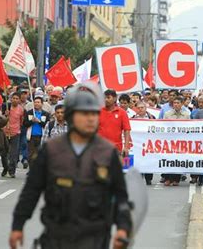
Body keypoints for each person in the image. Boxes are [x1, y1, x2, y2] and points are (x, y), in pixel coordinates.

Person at [9, 82, 132, 249]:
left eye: (94, 114)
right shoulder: (51, 150)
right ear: (71, 116)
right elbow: (31, 191)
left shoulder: (107, 152)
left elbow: (120, 196)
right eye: (84, 113)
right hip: (57, 235)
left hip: (94, 237)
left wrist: (123, 229)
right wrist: (18, 225)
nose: (91, 118)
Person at [163, 96, 190, 186]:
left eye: (178, 103)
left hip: (181, 141)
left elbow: (190, 127)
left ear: (182, 104)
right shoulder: (167, 114)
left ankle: (176, 179)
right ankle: (167, 178)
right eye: (174, 103)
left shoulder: (186, 114)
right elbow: (163, 126)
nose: (176, 104)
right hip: (169, 141)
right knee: (168, 159)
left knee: (178, 159)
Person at [98, 89, 131, 156]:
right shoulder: (98, 111)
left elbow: (126, 130)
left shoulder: (122, 113)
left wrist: (126, 147)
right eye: (104, 98)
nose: (106, 100)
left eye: (108, 97)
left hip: (116, 149)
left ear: (115, 98)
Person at [132, 101, 156, 185]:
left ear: (145, 108)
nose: (140, 109)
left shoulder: (151, 117)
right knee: (138, 161)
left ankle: (148, 178)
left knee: (149, 160)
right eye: (138, 108)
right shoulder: (133, 118)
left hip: (148, 142)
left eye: (142, 107)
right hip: (137, 143)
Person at [23, 97, 50, 168]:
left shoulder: (46, 114)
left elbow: (47, 125)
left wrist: (39, 121)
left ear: (42, 104)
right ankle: (31, 170)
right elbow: (25, 124)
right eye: (35, 102)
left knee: (39, 155)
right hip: (31, 137)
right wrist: (32, 121)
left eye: (38, 102)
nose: (36, 104)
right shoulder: (29, 113)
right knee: (31, 155)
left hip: (41, 137)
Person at [3, 92, 24, 178]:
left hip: (16, 133)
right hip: (5, 132)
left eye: (17, 98)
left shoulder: (21, 109)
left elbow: (22, 121)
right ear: (11, 98)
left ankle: (12, 171)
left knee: (14, 153)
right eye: (13, 98)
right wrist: (5, 115)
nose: (15, 100)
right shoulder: (6, 106)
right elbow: (0, 119)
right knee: (4, 153)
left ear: (19, 100)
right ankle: (5, 168)